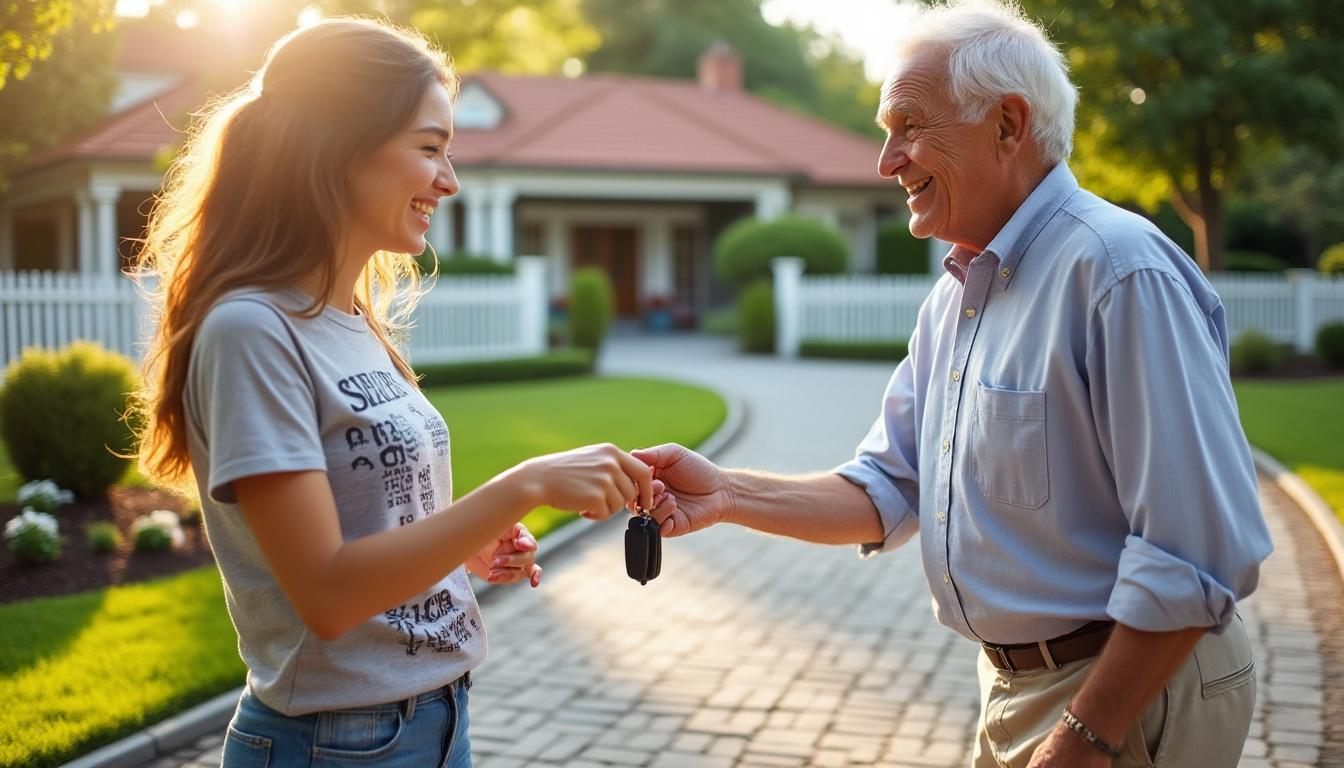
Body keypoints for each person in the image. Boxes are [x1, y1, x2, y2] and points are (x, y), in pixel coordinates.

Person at [635, 2, 1273, 766]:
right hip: (1018, 692)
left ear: (1008, 125)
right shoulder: (954, 298)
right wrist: (728, 494)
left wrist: (1088, 733)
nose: (886, 160)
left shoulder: (1117, 273)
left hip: (1130, 694)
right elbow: (884, 488)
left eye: (908, 125)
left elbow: (1197, 550)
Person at [131, 18, 656, 768]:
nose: (450, 180)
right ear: (338, 149)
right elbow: (329, 595)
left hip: (438, 721)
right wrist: (523, 485)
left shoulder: (352, 319)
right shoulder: (251, 330)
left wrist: (460, 548)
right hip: (333, 745)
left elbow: (365, 528)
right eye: (430, 148)